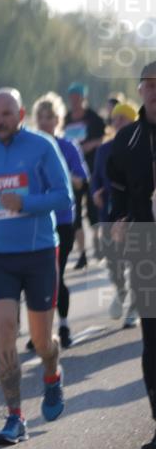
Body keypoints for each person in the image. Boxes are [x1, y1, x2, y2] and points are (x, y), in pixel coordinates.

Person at [0, 88, 74, 445]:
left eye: (7, 114)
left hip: (39, 251)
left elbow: (64, 196)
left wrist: (26, 202)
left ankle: (52, 373)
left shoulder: (43, 146)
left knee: (42, 340)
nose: (0, 121)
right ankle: (15, 416)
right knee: (5, 329)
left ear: (21, 113)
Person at [107, 60, 156, 449]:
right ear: (140, 91)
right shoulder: (126, 144)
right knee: (153, 342)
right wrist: (118, 220)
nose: (155, 91)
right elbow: (117, 197)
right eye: (149, 85)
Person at [30, 92, 88, 349]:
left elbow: (80, 179)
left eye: (50, 117)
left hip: (63, 219)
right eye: (41, 117)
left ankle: (63, 325)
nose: (45, 122)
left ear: (58, 119)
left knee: (56, 275)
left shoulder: (67, 147)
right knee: (36, 278)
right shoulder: (29, 149)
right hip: (35, 220)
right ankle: (39, 331)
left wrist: (61, 176)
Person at [92, 102, 140, 329]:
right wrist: (95, 193)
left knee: (137, 260)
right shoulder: (104, 150)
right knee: (113, 261)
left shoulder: (140, 147)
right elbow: (96, 180)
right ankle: (121, 291)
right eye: (115, 119)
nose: (118, 122)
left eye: (124, 118)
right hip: (109, 214)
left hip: (135, 213)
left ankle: (135, 308)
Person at [65, 82, 107, 269]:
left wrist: (89, 146)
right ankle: (82, 254)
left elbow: (102, 139)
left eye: (77, 97)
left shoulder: (94, 118)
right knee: (75, 216)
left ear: (84, 98)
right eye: (71, 98)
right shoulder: (66, 118)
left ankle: (98, 245)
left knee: (92, 212)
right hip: (72, 172)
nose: (74, 101)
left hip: (91, 169)